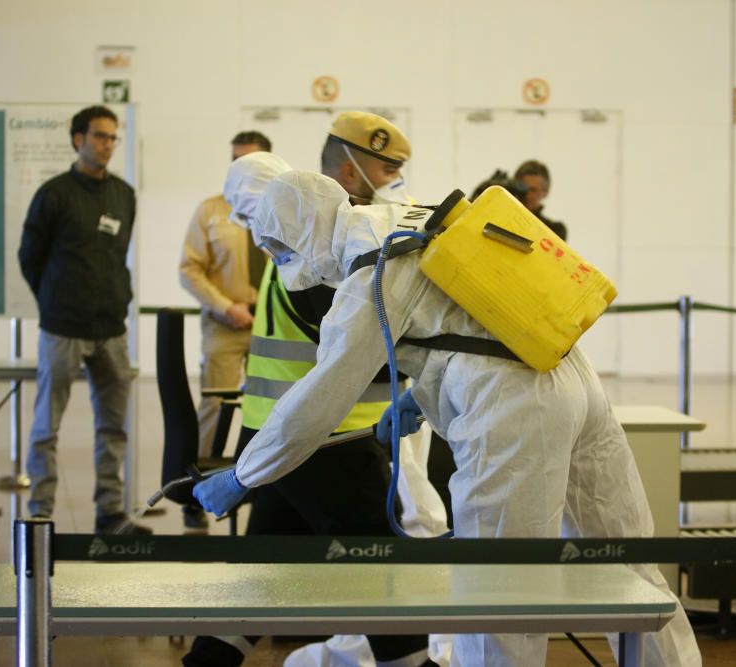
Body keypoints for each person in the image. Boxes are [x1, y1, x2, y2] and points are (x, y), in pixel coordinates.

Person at [193, 170, 703, 667]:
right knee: (631, 569)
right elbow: (463, 318)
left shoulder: (367, 275)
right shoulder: (409, 217)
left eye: (284, 252)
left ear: (301, 234)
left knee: (500, 595)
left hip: (515, 412)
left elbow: (316, 402)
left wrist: (242, 475)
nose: (296, 269)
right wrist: (417, 397)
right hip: (571, 375)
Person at [181, 113, 442, 667]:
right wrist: (413, 383)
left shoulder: (301, 256)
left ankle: (205, 662)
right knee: (380, 572)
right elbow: (360, 363)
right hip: (323, 442)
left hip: (285, 438)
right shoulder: (315, 266)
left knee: (262, 572)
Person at [17, 105, 148, 535]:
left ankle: (110, 512)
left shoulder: (124, 195)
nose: (107, 144)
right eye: (99, 136)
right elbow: (29, 258)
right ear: (78, 139)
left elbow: (117, 256)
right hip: (63, 329)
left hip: (111, 328)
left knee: (113, 426)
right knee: (46, 426)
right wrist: (55, 300)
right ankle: (40, 513)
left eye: (112, 137)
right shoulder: (54, 194)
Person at [178, 130, 271, 530]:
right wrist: (224, 306)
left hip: (271, 326)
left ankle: (263, 485)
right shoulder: (211, 210)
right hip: (226, 323)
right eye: (236, 161)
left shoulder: (280, 210)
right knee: (215, 407)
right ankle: (195, 493)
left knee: (271, 407)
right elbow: (189, 268)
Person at [514, 159, 568, 240]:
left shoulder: (554, 230)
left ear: (545, 192)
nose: (527, 195)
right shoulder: (501, 216)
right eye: (523, 188)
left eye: (533, 190)